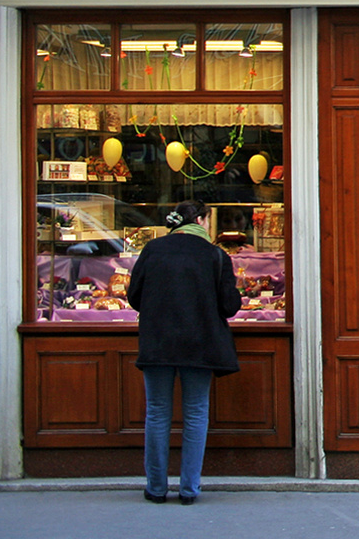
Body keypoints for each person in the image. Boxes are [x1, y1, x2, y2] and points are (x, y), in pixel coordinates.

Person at [128, 199, 241, 505]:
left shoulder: (153, 250)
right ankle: (189, 489)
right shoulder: (216, 255)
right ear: (202, 220)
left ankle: (156, 488)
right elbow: (230, 306)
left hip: (157, 342)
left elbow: (134, 297)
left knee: (157, 412)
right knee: (195, 413)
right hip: (199, 344)